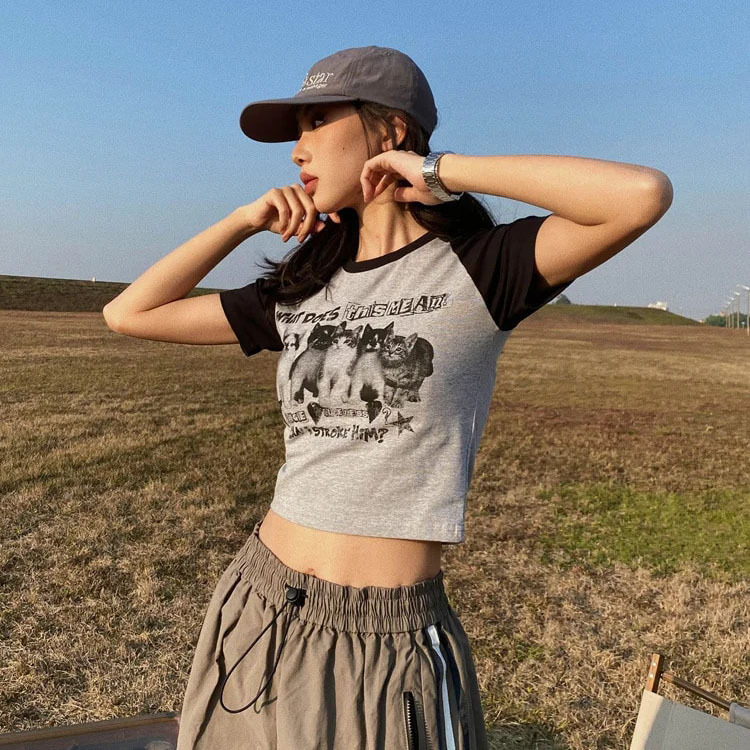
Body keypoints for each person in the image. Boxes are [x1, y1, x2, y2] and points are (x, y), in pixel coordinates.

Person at [102, 45, 672, 750]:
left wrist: (437, 170)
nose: (297, 150)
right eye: (297, 131)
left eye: (317, 122)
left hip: (386, 640)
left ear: (391, 130)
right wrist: (242, 221)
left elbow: (641, 195)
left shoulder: (482, 268)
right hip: (257, 599)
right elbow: (129, 314)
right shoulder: (302, 287)